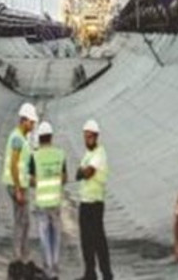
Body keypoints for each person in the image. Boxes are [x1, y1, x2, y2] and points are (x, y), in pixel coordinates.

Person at [2, 102, 38, 278]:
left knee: (25, 223)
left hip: (20, 184)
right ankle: (17, 261)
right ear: (24, 120)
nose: (33, 125)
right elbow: (14, 165)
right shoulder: (17, 138)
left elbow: (22, 166)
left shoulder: (22, 138)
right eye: (32, 122)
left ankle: (23, 259)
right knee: (21, 223)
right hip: (16, 185)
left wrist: (30, 180)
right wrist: (18, 189)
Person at [76, 120, 113, 280]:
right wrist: (81, 172)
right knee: (86, 240)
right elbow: (80, 172)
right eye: (85, 136)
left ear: (96, 137)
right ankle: (90, 273)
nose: (87, 139)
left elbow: (88, 172)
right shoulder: (88, 155)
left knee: (98, 240)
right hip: (85, 202)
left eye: (90, 137)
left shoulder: (99, 153)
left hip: (95, 203)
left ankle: (106, 273)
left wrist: (82, 172)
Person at [29, 121, 66, 280]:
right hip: (56, 201)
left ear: (39, 138)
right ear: (51, 137)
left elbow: (31, 180)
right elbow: (64, 177)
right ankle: (55, 268)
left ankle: (48, 269)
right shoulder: (60, 154)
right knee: (56, 235)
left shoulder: (35, 156)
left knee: (44, 236)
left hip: (42, 202)